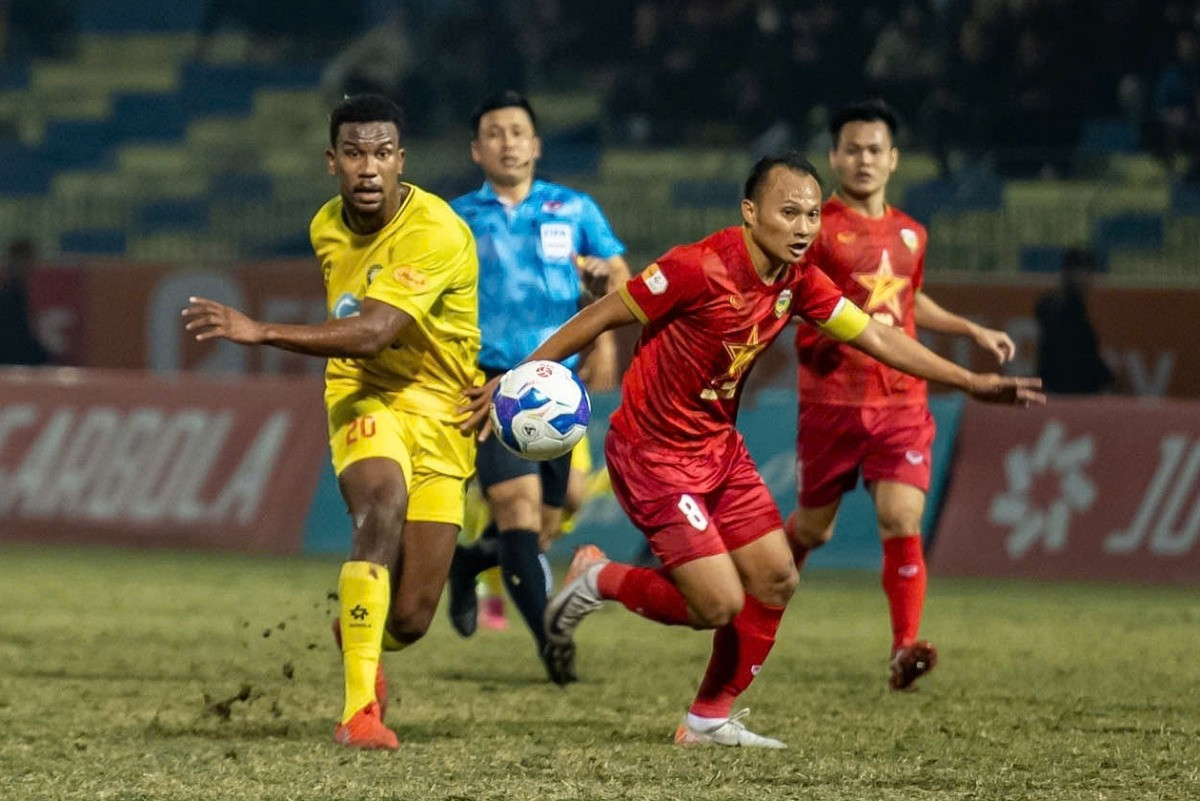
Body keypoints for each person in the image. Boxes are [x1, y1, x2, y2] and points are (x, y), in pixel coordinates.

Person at [461, 152, 1044, 747]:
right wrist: (517, 377)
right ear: (750, 211)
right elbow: (601, 316)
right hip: (652, 454)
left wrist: (968, 381)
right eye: (788, 212)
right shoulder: (695, 266)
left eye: (812, 215)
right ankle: (599, 577)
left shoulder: (800, 281)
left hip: (720, 449)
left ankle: (707, 719)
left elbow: (874, 334)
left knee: (776, 579)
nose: (804, 227)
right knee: (717, 604)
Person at [183, 94, 481, 751]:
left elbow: (374, 331)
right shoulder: (327, 224)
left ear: (401, 160)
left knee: (410, 618)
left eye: (382, 153)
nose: (368, 168)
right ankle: (357, 714)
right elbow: (361, 349)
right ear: (332, 161)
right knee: (380, 503)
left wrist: (261, 330)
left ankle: (359, 628)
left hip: (442, 410)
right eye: (354, 153)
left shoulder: (435, 230)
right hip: (362, 394)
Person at [784, 100, 1017, 693]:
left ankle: (904, 647)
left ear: (893, 159)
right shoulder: (814, 229)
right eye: (851, 150)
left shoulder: (913, 232)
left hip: (901, 401)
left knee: (901, 516)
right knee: (813, 530)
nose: (863, 160)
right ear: (834, 156)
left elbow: (907, 298)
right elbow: (789, 301)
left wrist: (969, 329)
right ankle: (757, 599)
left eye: (874, 150)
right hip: (832, 401)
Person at [445, 90, 630, 676]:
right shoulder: (453, 219)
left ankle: (468, 563)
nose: (507, 142)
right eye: (494, 133)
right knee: (517, 511)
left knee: (555, 515)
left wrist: (604, 334)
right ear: (476, 150)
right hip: (490, 382)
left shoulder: (573, 209)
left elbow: (618, 276)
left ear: (536, 145)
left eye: (517, 131)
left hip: (558, 388)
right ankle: (551, 642)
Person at [1034, 247, 1116, 394]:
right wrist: (1106, 375)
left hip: (1059, 389)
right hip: (1067, 391)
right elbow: (1080, 358)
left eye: (1088, 272)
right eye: (1081, 272)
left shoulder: (1072, 308)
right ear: (1069, 273)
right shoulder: (1064, 310)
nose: (1086, 279)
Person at [0, 239, 51, 367]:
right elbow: (15, 342)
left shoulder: (19, 294)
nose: (31, 267)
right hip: (12, 365)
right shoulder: (9, 297)